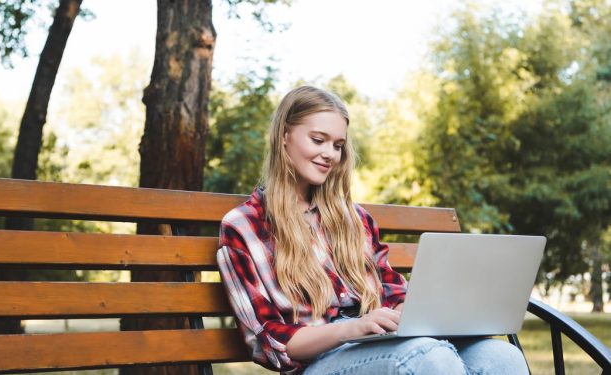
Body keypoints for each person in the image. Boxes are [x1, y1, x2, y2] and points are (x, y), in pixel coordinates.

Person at [216, 86, 529, 374]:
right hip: (320, 362)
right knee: (427, 357)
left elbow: (394, 294)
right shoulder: (244, 226)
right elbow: (271, 341)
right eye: (318, 139)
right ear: (284, 135)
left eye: (338, 146)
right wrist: (353, 328)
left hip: (380, 345)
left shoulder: (354, 219)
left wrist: (417, 315)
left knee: (501, 357)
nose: (330, 154)